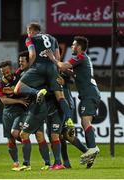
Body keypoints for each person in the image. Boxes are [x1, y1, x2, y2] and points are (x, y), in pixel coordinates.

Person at [45, 36, 101, 167]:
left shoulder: (79, 57)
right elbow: (74, 73)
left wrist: (53, 58)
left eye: (74, 45)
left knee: (85, 121)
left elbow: (63, 66)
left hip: (89, 94)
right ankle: (90, 151)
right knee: (84, 121)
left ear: (79, 47)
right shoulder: (84, 59)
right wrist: (67, 75)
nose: (72, 47)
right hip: (90, 93)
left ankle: (92, 148)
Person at [14, 22, 74, 128]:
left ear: (32, 31)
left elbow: (32, 55)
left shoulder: (30, 39)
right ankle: (69, 119)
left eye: (28, 32)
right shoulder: (53, 39)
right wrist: (56, 72)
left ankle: (38, 92)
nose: (28, 34)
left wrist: (29, 68)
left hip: (38, 67)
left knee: (17, 89)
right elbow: (58, 57)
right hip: (52, 68)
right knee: (60, 97)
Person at [0, 60, 29, 170]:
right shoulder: (0, 83)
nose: (5, 74)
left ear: (11, 69)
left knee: (15, 133)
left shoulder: (18, 75)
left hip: (20, 111)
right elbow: (4, 101)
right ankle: (16, 162)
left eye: (7, 71)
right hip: (7, 113)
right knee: (10, 139)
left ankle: (26, 159)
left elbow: (25, 65)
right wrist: (19, 100)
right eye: (3, 72)